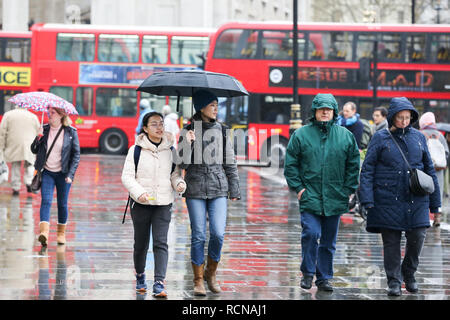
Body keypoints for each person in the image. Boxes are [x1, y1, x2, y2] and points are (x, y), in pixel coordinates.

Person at [359, 97, 440, 296]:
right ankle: (394, 281)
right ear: (392, 117)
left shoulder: (419, 137)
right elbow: (367, 169)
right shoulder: (380, 137)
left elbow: (429, 168)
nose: (404, 121)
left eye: (407, 118)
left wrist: (435, 203)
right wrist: (367, 199)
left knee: (418, 238)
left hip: (416, 199)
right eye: (400, 118)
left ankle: (409, 273)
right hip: (387, 198)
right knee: (391, 243)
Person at [284, 93, 360, 292]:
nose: (325, 112)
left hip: (335, 196)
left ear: (334, 112)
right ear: (315, 111)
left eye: (329, 109)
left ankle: (324, 277)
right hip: (310, 195)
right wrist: (299, 189)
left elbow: (353, 165)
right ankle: (308, 272)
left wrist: (348, 190)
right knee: (311, 233)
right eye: (321, 109)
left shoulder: (345, 136)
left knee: (328, 240)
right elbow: (290, 164)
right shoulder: (301, 135)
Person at [178, 89, 240, 296]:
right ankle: (198, 280)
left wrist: (234, 189)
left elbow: (230, 162)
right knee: (198, 235)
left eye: (217, 105)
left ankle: (210, 273)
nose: (216, 108)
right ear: (201, 107)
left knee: (218, 234)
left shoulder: (222, 131)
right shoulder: (187, 130)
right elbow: (181, 163)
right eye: (212, 104)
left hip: (218, 187)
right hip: (195, 187)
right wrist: (187, 141)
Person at [122, 111, 186, 297]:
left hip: (163, 203)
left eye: (161, 123)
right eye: (154, 124)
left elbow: (174, 175)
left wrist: (179, 183)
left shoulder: (171, 151)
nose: (159, 127)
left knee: (161, 243)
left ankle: (159, 282)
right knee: (140, 244)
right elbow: (127, 176)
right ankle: (140, 275)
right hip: (140, 203)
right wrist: (139, 192)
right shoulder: (135, 150)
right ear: (145, 128)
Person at [31, 107, 80, 247]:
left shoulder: (71, 132)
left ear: (61, 115)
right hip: (47, 172)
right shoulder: (44, 130)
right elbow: (34, 149)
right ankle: (44, 233)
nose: (49, 115)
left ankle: (60, 234)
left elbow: (76, 155)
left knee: (62, 203)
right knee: (46, 200)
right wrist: (38, 137)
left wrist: (70, 175)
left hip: (64, 174)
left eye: (52, 113)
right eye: (48, 112)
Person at [0, 106, 40, 195]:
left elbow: (2, 133)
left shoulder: (8, 115)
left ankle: (16, 187)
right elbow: (38, 132)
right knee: (30, 164)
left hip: (14, 145)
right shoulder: (33, 116)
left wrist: (1, 146)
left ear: (16, 105)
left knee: (15, 165)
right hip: (29, 145)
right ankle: (29, 182)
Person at [419, 111, 448, 227]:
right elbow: (446, 153)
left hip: (424, 170)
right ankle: (437, 217)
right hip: (439, 170)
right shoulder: (440, 135)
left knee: (423, 191)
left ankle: (424, 217)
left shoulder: (420, 134)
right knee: (438, 192)